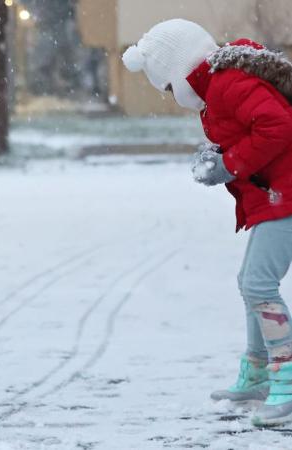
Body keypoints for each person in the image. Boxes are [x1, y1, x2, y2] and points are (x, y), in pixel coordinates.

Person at [123, 18, 292, 427]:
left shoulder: (226, 84)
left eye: (165, 86)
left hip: (285, 195)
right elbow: (247, 129)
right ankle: (257, 372)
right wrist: (217, 155)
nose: (168, 96)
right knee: (249, 283)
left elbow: (280, 125)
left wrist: (230, 164)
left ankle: (284, 378)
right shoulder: (218, 88)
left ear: (177, 70)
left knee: (258, 285)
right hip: (274, 196)